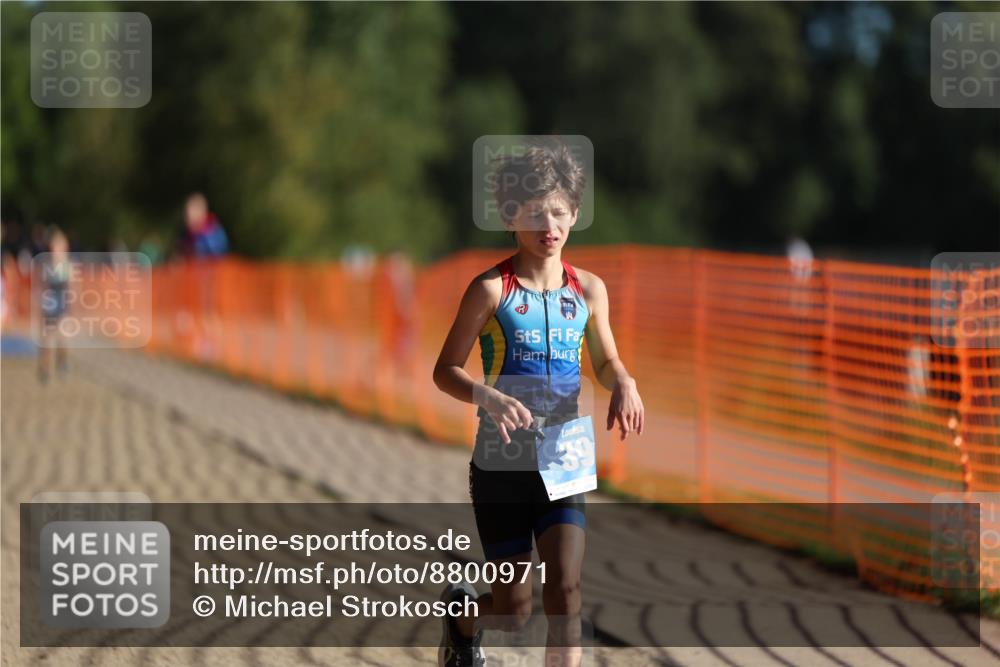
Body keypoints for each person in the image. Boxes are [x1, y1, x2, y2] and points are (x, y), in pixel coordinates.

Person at [433, 143, 644, 667]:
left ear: (574, 212)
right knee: (513, 610)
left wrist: (624, 380)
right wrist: (486, 395)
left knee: (567, 594)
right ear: (510, 215)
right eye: (532, 213)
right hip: (502, 462)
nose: (547, 224)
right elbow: (445, 371)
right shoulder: (489, 290)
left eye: (558, 211)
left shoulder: (589, 291)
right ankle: (464, 621)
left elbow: (605, 358)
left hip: (565, 454)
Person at [36, 228, 72, 382]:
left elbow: (73, 288)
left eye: (61, 245)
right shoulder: (46, 265)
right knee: (47, 339)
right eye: (55, 245)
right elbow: (42, 286)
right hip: (49, 304)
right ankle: (46, 369)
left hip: (63, 303)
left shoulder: (68, 266)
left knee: (63, 338)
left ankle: (63, 363)